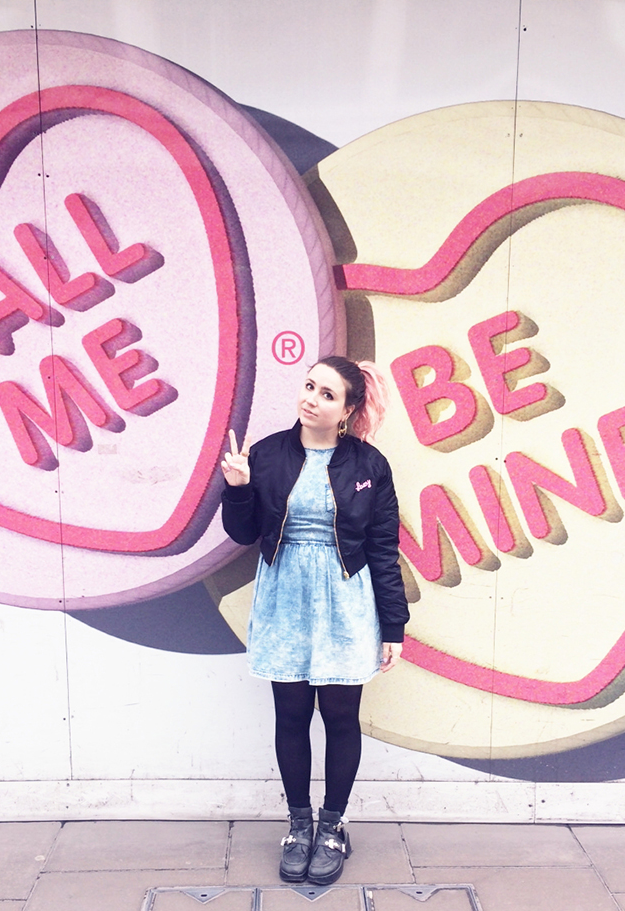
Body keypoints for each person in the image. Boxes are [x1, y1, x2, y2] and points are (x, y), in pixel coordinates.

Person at [220, 355, 410, 886]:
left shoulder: (369, 466)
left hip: (346, 598)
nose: (311, 399)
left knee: (342, 716)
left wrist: (393, 626)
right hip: (285, 596)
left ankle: (333, 827)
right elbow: (244, 533)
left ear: (347, 410)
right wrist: (238, 486)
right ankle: (298, 826)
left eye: (327, 394)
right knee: (292, 714)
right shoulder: (267, 454)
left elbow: (382, 548)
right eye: (309, 387)